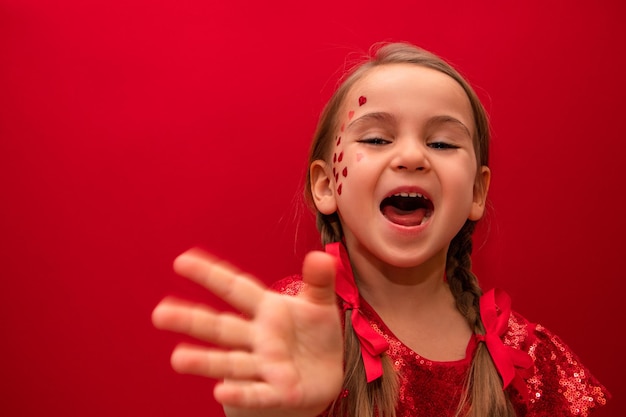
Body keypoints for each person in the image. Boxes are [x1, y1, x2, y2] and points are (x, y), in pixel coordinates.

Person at [151, 43, 610, 417]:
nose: (411, 156)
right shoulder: (297, 329)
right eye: (375, 138)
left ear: (476, 192)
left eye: (442, 142)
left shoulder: (530, 356)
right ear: (326, 184)